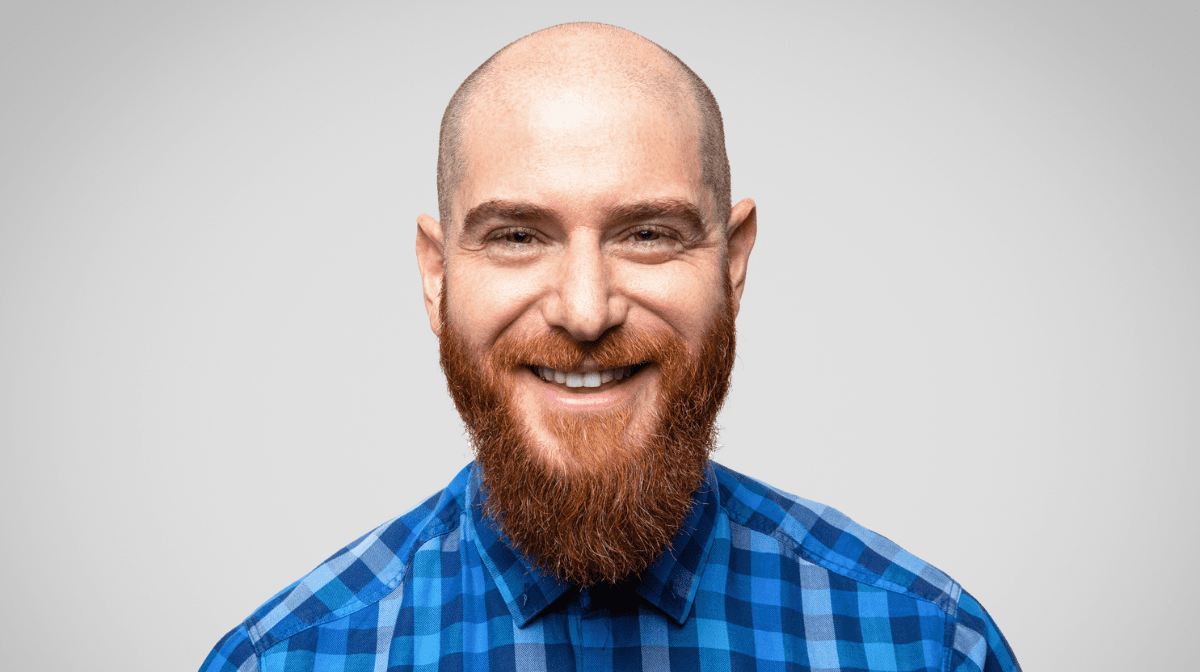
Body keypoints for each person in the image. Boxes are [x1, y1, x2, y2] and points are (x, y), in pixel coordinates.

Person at [200, 23, 1020, 672]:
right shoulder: (285, 661)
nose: (585, 311)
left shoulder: (928, 648)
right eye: (518, 235)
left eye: (650, 234)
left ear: (732, 266)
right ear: (436, 273)